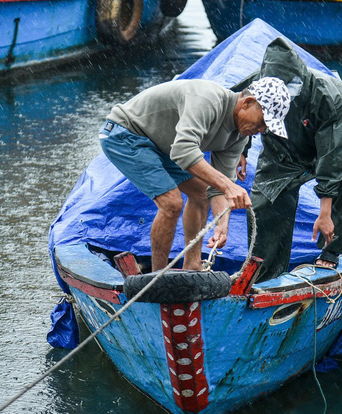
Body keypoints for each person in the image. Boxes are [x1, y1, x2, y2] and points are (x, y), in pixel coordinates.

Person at [99, 77, 291, 272]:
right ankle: (158, 277)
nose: (261, 130)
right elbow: (183, 150)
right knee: (171, 204)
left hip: (162, 145)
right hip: (125, 133)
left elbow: (217, 189)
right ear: (247, 103)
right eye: (262, 122)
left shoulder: (239, 136)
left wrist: (221, 224)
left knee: (201, 193)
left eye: (266, 128)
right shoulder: (208, 100)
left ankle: (192, 264)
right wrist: (228, 186)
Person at [233, 38, 342, 282]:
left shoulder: (327, 93)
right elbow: (236, 110)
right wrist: (242, 148)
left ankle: (332, 248)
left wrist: (324, 211)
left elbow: (334, 154)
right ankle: (266, 270)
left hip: (324, 147)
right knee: (264, 204)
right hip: (281, 151)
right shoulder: (256, 83)